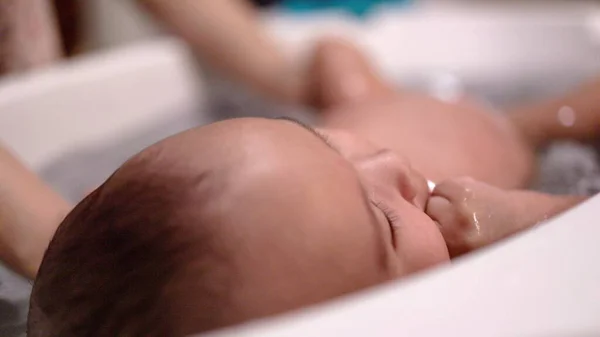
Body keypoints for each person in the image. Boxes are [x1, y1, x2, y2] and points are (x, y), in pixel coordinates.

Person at [24, 40, 592, 336]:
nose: (390, 163)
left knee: (340, 74)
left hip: (368, 99)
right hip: (521, 124)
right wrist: (525, 222)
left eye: (314, 142)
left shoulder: (356, 152)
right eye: (388, 226)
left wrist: (336, 82)